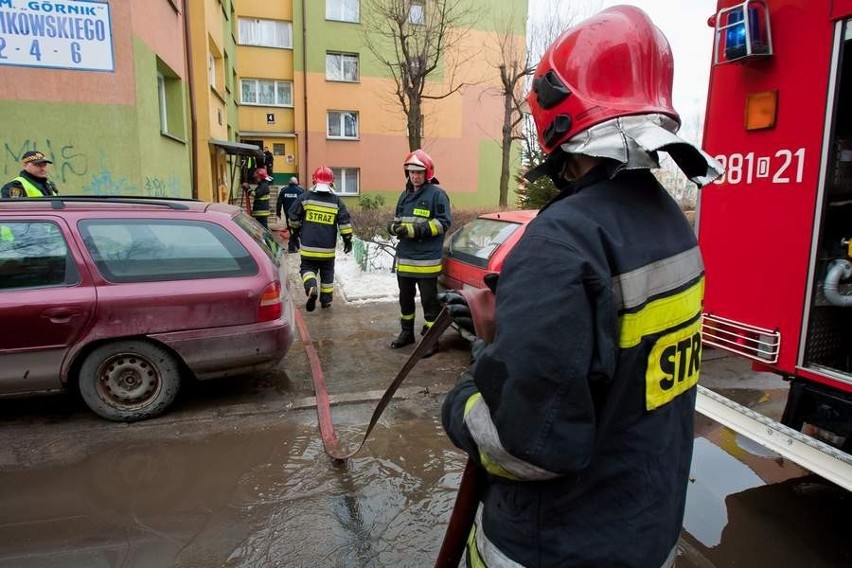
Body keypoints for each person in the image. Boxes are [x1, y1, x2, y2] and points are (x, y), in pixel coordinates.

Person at [440, 6, 723, 567]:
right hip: (648, 533)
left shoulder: (563, 244)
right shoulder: (671, 226)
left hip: (555, 546)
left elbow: (527, 446)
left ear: (557, 114)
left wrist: (467, 387)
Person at [387, 149, 451, 357]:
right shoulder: (404, 196)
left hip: (426, 260)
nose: (415, 176)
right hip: (405, 258)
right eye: (411, 172)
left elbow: (443, 223)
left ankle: (432, 341)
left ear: (427, 174)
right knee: (405, 299)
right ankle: (407, 333)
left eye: (419, 172)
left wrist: (415, 231)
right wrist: (393, 228)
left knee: (429, 302)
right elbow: (398, 220)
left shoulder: (437, 195)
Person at [287, 166, 353, 312]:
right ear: (331, 182)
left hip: (308, 247)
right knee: (327, 273)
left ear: (314, 180)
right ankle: (326, 301)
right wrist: (348, 240)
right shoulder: (336, 201)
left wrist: (295, 231)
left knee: (307, 269)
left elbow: (293, 217)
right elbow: (344, 223)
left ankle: (311, 287)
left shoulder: (305, 198)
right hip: (327, 249)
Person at [277, 176, 305, 252]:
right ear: (297, 183)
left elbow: (279, 203)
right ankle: (293, 247)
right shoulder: (301, 191)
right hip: (298, 215)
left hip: (288, 214)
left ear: (289, 182)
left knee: (291, 230)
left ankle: (295, 246)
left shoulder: (283, 190)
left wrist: (278, 212)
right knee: (295, 230)